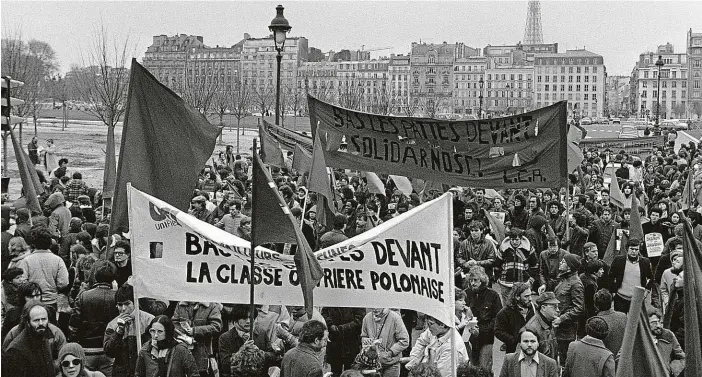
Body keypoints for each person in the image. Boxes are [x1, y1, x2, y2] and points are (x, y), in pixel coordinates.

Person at [71, 260, 119, 377]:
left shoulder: (84, 296)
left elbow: (74, 324)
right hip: (108, 350)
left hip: (87, 348)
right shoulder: (117, 297)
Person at [104, 284, 155, 377]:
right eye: (120, 305)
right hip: (122, 372)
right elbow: (109, 352)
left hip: (144, 371)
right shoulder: (112, 324)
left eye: (127, 304)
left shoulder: (149, 320)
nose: (123, 309)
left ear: (135, 302)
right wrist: (119, 332)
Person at [2, 303, 64, 377]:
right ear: (28, 322)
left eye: (44, 319)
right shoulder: (16, 350)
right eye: (36, 320)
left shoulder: (44, 338)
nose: (41, 323)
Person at [17, 226, 70, 311]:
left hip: (32, 302)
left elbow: (21, 282)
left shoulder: (26, 261)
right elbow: (64, 282)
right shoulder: (58, 260)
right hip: (51, 301)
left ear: (33, 243)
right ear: (50, 243)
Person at [134, 315, 200, 377]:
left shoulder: (180, 350)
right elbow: (138, 375)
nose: (155, 335)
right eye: (152, 331)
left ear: (167, 332)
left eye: (160, 331)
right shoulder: (145, 350)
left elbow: (194, 374)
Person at [464, 266, 502, 370]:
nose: (472, 283)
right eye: (470, 280)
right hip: (468, 339)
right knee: (470, 368)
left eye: (475, 280)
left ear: (483, 280)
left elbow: (498, 318)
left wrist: (482, 330)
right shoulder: (466, 294)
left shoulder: (493, 295)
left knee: (485, 368)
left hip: (486, 338)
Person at [172, 301, 223, 376]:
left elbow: (216, 326)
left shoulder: (212, 306)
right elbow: (174, 322)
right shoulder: (180, 305)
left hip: (202, 352)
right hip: (183, 349)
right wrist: (184, 335)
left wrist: (195, 331)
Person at [608, 238, 656, 313]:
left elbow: (651, 278)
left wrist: (646, 293)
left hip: (637, 300)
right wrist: (613, 292)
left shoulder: (645, 262)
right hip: (620, 298)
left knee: (635, 323)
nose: (634, 251)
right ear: (627, 249)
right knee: (622, 321)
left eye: (636, 249)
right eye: (631, 249)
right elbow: (611, 276)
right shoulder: (618, 260)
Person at [553, 253, 584, 365]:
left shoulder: (576, 284)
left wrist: (562, 318)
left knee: (564, 359)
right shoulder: (565, 278)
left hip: (567, 329)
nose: (560, 262)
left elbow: (579, 308)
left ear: (570, 267)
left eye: (563, 262)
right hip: (558, 326)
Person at [360, 308, 409, 377]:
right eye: (373, 306)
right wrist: (367, 341)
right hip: (372, 364)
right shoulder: (367, 318)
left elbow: (404, 340)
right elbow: (364, 337)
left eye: (378, 306)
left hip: (391, 364)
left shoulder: (395, 317)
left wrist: (390, 352)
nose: (375, 309)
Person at [494, 229, 538, 304]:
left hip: (523, 281)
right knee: (507, 305)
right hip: (505, 282)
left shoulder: (528, 248)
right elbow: (497, 264)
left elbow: (535, 264)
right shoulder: (503, 248)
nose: (514, 242)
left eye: (517, 240)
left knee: (522, 304)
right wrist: (498, 277)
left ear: (521, 239)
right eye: (512, 239)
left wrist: (531, 278)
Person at [322, 306, 365, 376]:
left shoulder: (356, 299)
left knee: (350, 372)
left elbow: (359, 319)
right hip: (335, 342)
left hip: (351, 342)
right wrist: (330, 325)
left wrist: (342, 328)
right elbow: (324, 313)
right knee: (335, 371)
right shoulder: (332, 297)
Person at [494, 282, 534, 354]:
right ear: (517, 297)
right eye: (526, 296)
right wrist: (513, 340)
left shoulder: (534, 309)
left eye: (530, 295)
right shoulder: (505, 312)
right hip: (514, 351)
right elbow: (498, 331)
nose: (530, 299)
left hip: (532, 349)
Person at [523, 292, 560, 362]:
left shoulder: (549, 323)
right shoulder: (532, 329)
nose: (558, 310)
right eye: (554, 307)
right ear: (543, 307)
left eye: (558, 307)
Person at [219, 304, 254, 377]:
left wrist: (260, 353)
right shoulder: (225, 338)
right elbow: (225, 364)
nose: (248, 321)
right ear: (235, 319)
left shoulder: (261, 333)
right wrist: (241, 351)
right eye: (244, 318)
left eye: (250, 317)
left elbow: (272, 356)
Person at [648, 309, 685, 376]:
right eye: (654, 323)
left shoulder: (668, 335)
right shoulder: (640, 338)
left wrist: (673, 368)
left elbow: (681, 356)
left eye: (660, 322)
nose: (658, 326)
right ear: (646, 324)